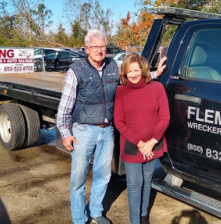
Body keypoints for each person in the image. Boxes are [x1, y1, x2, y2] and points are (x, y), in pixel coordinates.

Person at [56, 29, 167, 224]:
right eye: (95, 47)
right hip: (83, 130)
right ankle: (80, 218)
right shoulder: (76, 71)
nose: (99, 50)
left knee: (103, 174)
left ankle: (97, 212)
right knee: (78, 178)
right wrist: (65, 133)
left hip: (107, 130)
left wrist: (156, 73)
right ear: (86, 48)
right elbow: (64, 106)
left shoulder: (112, 65)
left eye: (102, 46)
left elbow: (133, 72)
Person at [114, 53, 170, 224]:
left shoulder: (157, 88)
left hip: (153, 143)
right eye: (129, 71)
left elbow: (165, 117)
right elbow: (119, 121)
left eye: (136, 70)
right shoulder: (121, 91)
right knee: (134, 185)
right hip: (133, 145)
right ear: (124, 73)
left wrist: (152, 142)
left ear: (143, 69)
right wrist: (140, 143)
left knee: (147, 181)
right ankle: (134, 221)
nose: (133, 74)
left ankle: (144, 216)